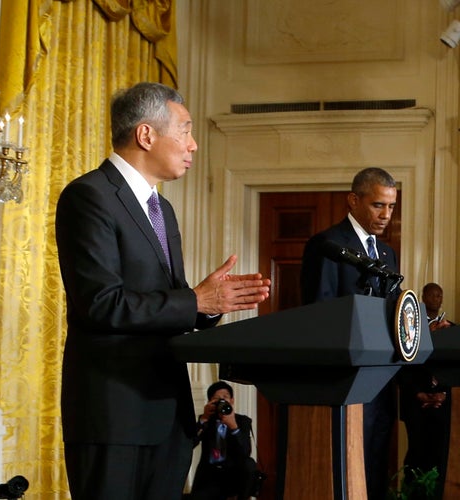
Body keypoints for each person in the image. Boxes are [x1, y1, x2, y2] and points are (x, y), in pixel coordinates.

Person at [55, 82, 271, 500]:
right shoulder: (89, 197)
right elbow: (100, 304)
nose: (192, 145)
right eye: (185, 130)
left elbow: (171, 304)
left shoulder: (162, 208)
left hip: (168, 415)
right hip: (113, 416)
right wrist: (195, 299)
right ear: (146, 134)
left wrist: (209, 306)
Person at [300, 167, 401, 500]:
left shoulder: (386, 254)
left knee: (374, 466)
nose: (386, 215)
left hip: (381, 380)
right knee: (344, 471)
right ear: (354, 200)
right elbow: (320, 312)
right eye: (377, 206)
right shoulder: (327, 245)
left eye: (391, 206)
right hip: (344, 381)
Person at [397, 282, 455, 498]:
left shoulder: (453, 328)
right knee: (416, 453)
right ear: (423, 297)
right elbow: (401, 366)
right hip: (416, 404)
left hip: (444, 405)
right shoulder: (409, 327)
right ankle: (412, 493)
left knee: (441, 454)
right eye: (432, 295)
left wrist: (445, 394)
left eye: (439, 295)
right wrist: (416, 392)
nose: (436, 298)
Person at [191, 381, 254, 500]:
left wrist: (233, 426)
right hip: (210, 475)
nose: (222, 401)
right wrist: (203, 419)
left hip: (232, 475)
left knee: (249, 463)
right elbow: (190, 443)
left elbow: (246, 452)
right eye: (216, 399)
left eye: (225, 397)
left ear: (232, 401)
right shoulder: (206, 420)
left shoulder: (242, 421)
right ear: (210, 402)